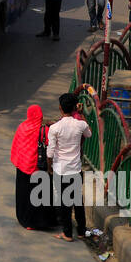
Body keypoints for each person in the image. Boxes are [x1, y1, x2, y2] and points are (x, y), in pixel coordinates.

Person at [47, 92, 90, 241]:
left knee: (64, 202)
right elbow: (88, 134)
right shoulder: (81, 124)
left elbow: (50, 152)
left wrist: (49, 167)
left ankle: (67, 233)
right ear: (74, 108)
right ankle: (81, 230)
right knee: (78, 200)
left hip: (61, 169)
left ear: (60, 108)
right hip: (76, 169)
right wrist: (81, 113)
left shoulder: (54, 128)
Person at [10, 105, 53, 231]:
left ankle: (25, 220)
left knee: (24, 194)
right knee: (39, 195)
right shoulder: (43, 130)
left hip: (22, 166)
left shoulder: (22, 127)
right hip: (37, 167)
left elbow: (17, 145)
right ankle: (39, 222)